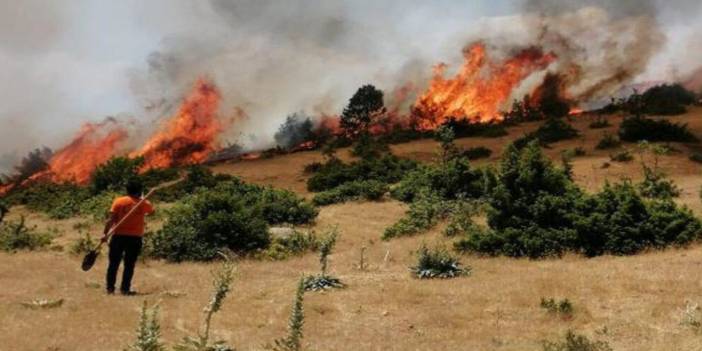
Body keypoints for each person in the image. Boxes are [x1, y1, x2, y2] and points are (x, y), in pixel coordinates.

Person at [102, 178, 154, 295]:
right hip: (134, 238)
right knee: (129, 264)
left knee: (113, 263)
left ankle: (110, 289)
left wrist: (105, 233)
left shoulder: (118, 201)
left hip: (118, 236)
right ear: (140, 191)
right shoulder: (144, 203)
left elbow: (110, 219)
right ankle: (125, 289)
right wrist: (143, 199)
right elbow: (152, 212)